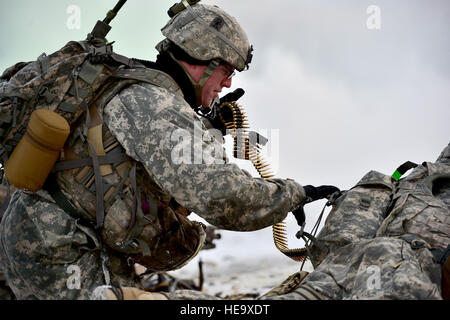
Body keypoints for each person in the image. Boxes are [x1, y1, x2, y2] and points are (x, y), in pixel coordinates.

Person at [0, 2, 337, 300]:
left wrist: (210, 130)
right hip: (60, 251)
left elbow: (148, 163)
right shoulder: (156, 104)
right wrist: (293, 194)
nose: (228, 83)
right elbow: (219, 195)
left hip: (38, 238)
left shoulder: (138, 87)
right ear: (203, 58)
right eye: (226, 71)